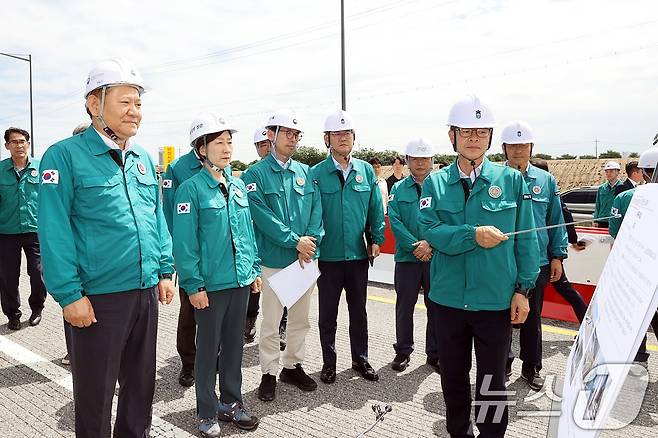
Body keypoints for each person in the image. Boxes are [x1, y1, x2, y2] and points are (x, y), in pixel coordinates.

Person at [38, 58, 176, 438]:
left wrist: (165, 270)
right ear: (94, 104)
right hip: (97, 298)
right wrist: (69, 295)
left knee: (140, 388)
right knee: (96, 394)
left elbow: (157, 219)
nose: (135, 112)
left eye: (138, 103)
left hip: (145, 292)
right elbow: (53, 230)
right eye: (125, 102)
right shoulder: (64, 155)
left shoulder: (144, 159)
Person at [419, 95, 539, 438]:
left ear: (489, 137)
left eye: (482, 132)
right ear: (452, 136)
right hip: (448, 300)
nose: (474, 138)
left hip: (495, 299)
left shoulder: (512, 181)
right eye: (466, 131)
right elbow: (430, 229)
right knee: (453, 378)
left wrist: (523, 290)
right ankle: (459, 432)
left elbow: (527, 241)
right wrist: (473, 235)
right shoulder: (435, 183)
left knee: (492, 382)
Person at [173, 113, 261, 436]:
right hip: (209, 287)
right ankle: (207, 411)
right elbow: (184, 245)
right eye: (219, 142)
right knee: (207, 351)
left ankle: (231, 402)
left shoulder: (237, 186)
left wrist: (253, 270)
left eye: (229, 141)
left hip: (239, 282)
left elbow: (247, 232)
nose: (227, 148)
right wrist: (193, 285)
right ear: (201, 148)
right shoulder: (190, 190)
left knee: (234, 348)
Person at [243, 110, 324, 402]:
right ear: (271, 135)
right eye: (287, 133)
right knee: (271, 321)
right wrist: (295, 241)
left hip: (303, 260)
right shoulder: (255, 174)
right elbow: (261, 216)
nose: (293, 139)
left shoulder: (305, 172)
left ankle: (292, 366)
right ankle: (268, 373)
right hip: (274, 260)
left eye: (296, 134)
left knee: (300, 319)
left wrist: (311, 242)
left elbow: (316, 210)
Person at [310, 109, 386, 384]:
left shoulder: (366, 170)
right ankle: (329, 363)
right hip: (328, 258)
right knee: (327, 314)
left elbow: (375, 209)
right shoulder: (316, 173)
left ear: (354, 138)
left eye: (347, 133)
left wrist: (376, 239)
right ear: (327, 139)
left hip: (357, 256)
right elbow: (310, 213)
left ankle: (360, 359)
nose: (343, 138)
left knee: (359, 312)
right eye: (337, 134)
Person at [502, 121, 567, 391]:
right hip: (502, 262)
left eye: (523, 145)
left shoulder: (546, 181)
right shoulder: (494, 179)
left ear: (531, 148)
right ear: (504, 148)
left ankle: (531, 367)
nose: (518, 150)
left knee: (533, 316)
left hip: (537, 262)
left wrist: (557, 256)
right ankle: (501, 363)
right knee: (499, 317)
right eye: (512, 145)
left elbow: (556, 219)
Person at [387, 137, 440, 373]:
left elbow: (447, 219)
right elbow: (395, 222)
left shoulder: (442, 187)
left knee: (437, 306)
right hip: (408, 259)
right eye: (415, 158)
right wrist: (415, 246)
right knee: (404, 306)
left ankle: (435, 353)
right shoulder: (398, 189)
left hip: (436, 257)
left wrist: (430, 243)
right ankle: (403, 350)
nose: (420, 163)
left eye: (425, 158)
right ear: (408, 161)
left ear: (432, 161)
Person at [161, 116, 206, 388]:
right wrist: (175, 254)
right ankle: (188, 363)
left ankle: (211, 359)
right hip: (190, 253)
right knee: (189, 313)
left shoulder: (221, 168)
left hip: (219, 255)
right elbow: (168, 214)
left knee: (215, 312)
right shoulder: (177, 168)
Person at [608, 145, 658, 363]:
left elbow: (614, 232)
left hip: (637, 266)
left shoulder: (626, 197)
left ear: (645, 171)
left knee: (637, 311)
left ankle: (639, 353)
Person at [243, 126, 288, 349]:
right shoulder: (251, 175)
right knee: (255, 290)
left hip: (281, 246)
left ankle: (283, 326)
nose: (266, 148)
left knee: (284, 291)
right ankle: (250, 320)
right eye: (261, 145)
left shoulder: (284, 172)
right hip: (257, 246)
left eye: (267, 144)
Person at [0, 127, 47, 331]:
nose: (19, 145)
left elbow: (51, 198)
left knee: (38, 272)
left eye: (22, 141)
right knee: (8, 276)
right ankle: (13, 314)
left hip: (35, 229)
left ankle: (37, 308)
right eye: (14, 142)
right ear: (7, 146)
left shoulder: (43, 167)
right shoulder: (0, 170)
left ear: (28, 143)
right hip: (6, 232)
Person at [530, 158, 588, 324]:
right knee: (564, 288)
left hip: (548, 254)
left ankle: (586, 322)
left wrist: (573, 241)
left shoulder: (548, 189)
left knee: (564, 288)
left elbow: (564, 216)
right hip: (544, 252)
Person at [60, 122, 91, 367]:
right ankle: (74, 351)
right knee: (73, 306)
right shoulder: (67, 167)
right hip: (76, 258)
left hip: (99, 264)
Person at [593, 161, 622, 227]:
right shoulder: (601, 188)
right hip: (602, 221)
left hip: (615, 221)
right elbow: (598, 205)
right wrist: (595, 220)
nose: (608, 174)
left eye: (611, 171)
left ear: (617, 172)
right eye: (607, 171)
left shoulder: (622, 187)